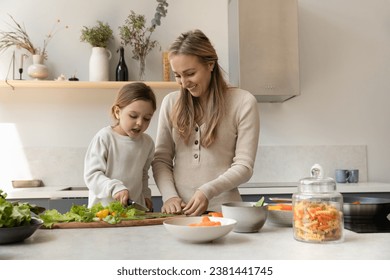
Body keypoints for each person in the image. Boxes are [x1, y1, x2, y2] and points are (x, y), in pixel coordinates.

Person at [152, 29, 260, 216]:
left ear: (210, 64)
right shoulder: (170, 103)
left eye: (190, 73)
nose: (184, 83)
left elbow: (244, 166)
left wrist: (206, 191)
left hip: (225, 213)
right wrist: (169, 196)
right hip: (180, 213)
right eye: (177, 75)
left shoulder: (243, 102)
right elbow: (161, 160)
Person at [84, 82, 156, 210]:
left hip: (133, 213)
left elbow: (143, 174)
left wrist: (146, 195)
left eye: (147, 118)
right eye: (133, 116)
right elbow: (92, 175)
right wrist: (115, 188)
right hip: (103, 213)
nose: (139, 123)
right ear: (117, 112)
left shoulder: (147, 143)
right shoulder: (105, 137)